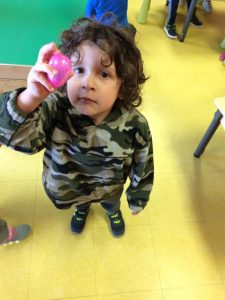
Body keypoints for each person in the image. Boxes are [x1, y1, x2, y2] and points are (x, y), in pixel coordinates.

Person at [0, 17, 154, 237]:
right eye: (79, 70)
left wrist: (138, 197)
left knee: (110, 203)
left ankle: (112, 212)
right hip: (71, 191)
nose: (86, 83)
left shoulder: (135, 124)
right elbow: (14, 137)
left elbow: (143, 164)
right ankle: (81, 210)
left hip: (109, 189)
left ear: (122, 85)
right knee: (80, 203)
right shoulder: (55, 109)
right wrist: (31, 97)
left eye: (104, 73)